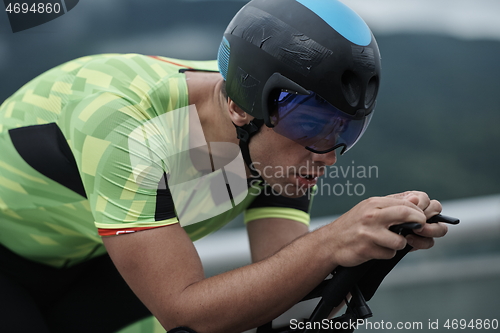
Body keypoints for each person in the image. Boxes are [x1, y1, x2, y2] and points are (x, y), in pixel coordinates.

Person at [0, 0, 448, 332]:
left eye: (345, 131)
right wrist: (330, 242)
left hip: (97, 262)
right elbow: (185, 313)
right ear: (238, 107)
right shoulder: (126, 124)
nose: (328, 154)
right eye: (314, 127)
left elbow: (281, 293)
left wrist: (364, 255)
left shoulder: (281, 141)